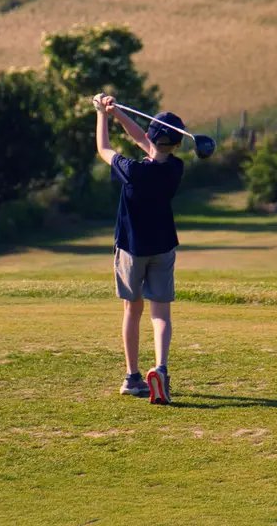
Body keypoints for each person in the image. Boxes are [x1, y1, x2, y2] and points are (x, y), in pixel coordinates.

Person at [92, 93, 185, 405]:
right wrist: (117, 111)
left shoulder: (133, 171)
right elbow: (144, 140)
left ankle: (133, 377)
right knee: (161, 313)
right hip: (163, 247)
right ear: (177, 144)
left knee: (133, 310)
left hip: (132, 250)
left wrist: (102, 114)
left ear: (151, 137)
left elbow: (103, 149)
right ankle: (161, 369)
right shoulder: (176, 168)